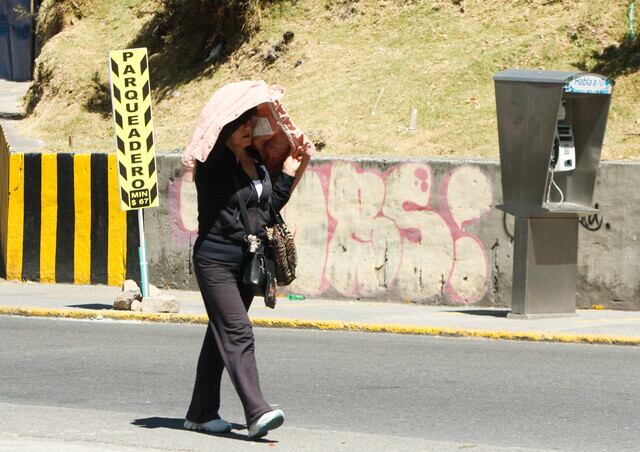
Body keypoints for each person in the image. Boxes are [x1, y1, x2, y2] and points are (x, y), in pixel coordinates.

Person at [183, 105, 307, 439]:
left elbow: (267, 209)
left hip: (247, 260)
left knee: (220, 337)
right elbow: (204, 146)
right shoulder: (213, 165)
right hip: (215, 260)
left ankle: (200, 413)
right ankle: (257, 412)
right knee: (238, 331)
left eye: (248, 122)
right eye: (237, 123)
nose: (246, 128)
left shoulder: (255, 163)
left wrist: (290, 170)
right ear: (223, 130)